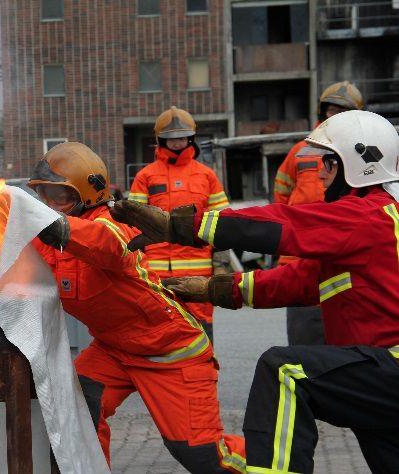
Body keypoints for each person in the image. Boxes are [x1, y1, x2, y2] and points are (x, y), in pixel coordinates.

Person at [111, 110, 399, 473]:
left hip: (388, 366)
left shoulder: (365, 216)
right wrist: (215, 289)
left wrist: (181, 226)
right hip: (379, 370)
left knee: (285, 372)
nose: (320, 172)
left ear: (359, 164)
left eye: (329, 161)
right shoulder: (370, 223)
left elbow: (284, 223)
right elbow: (296, 282)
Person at [29, 142, 245, 473]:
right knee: (76, 411)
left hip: (170, 351)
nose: (49, 205)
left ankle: (276, 461)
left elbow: (109, 245)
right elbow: (18, 260)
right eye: (44, 194)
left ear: (88, 193)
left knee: (202, 458)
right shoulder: (53, 238)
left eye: (59, 196)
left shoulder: (112, 224)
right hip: (114, 350)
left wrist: (57, 227)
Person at [273, 81, 364, 346]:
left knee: (347, 345)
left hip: (344, 256)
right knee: (304, 345)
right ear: (322, 113)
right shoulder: (300, 152)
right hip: (300, 256)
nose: (334, 116)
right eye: (331, 110)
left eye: (342, 111)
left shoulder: (363, 151)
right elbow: (282, 196)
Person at [129, 106, 229, 342]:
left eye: (181, 138)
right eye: (171, 139)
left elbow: (224, 223)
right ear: (160, 140)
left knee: (201, 337)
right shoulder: (146, 176)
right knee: (162, 338)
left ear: (191, 138)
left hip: (199, 277)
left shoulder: (206, 176)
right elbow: (132, 225)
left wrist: (222, 264)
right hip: (156, 276)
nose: (176, 143)